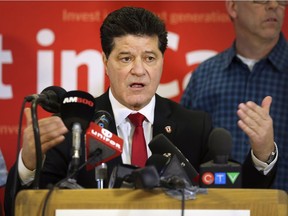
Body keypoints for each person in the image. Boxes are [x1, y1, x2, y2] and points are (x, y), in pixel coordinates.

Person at [5, 6, 277, 215]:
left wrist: (262, 154)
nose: (139, 69)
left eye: (149, 57)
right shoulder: (73, 125)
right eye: (126, 58)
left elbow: (235, 201)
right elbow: (23, 207)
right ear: (105, 62)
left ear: (161, 61)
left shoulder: (195, 126)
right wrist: (28, 164)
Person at [181, 0, 286, 191]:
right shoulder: (204, 75)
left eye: (282, 0)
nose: (273, 5)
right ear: (233, 7)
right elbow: (182, 156)